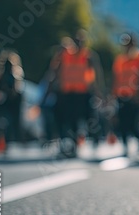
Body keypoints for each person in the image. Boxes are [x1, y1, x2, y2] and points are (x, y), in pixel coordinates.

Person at [45, 30, 104, 158]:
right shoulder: (64, 54)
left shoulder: (88, 56)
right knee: (67, 119)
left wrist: (98, 91)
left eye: (81, 41)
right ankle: (71, 145)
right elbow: (54, 72)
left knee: (87, 118)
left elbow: (96, 75)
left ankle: (93, 139)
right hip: (67, 93)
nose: (78, 44)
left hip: (83, 93)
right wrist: (49, 89)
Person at [112, 32, 139, 156]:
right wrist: (113, 94)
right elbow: (116, 78)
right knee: (122, 122)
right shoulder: (120, 60)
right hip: (121, 96)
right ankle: (125, 146)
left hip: (135, 97)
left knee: (133, 122)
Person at [0, 50, 24, 153]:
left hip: (9, 105)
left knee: (4, 125)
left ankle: (4, 142)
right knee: (3, 125)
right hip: (5, 105)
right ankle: (1, 143)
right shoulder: (2, 77)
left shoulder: (13, 76)